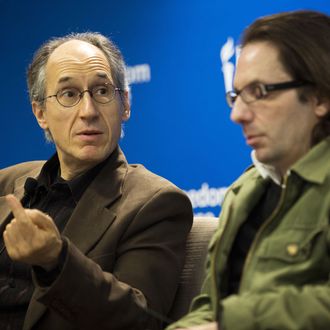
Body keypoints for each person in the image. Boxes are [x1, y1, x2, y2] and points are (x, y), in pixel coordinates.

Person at [0, 32, 193, 330]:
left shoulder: (156, 203)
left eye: (102, 91)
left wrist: (57, 259)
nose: (88, 111)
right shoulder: (7, 182)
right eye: (69, 95)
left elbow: (141, 320)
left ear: (125, 104)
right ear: (41, 113)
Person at [167, 10, 330, 330]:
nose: (237, 114)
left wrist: (233, 323)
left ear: (319, 97)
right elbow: (210, 307)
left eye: (260, 92)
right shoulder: (244, 191)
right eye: (236, 95)